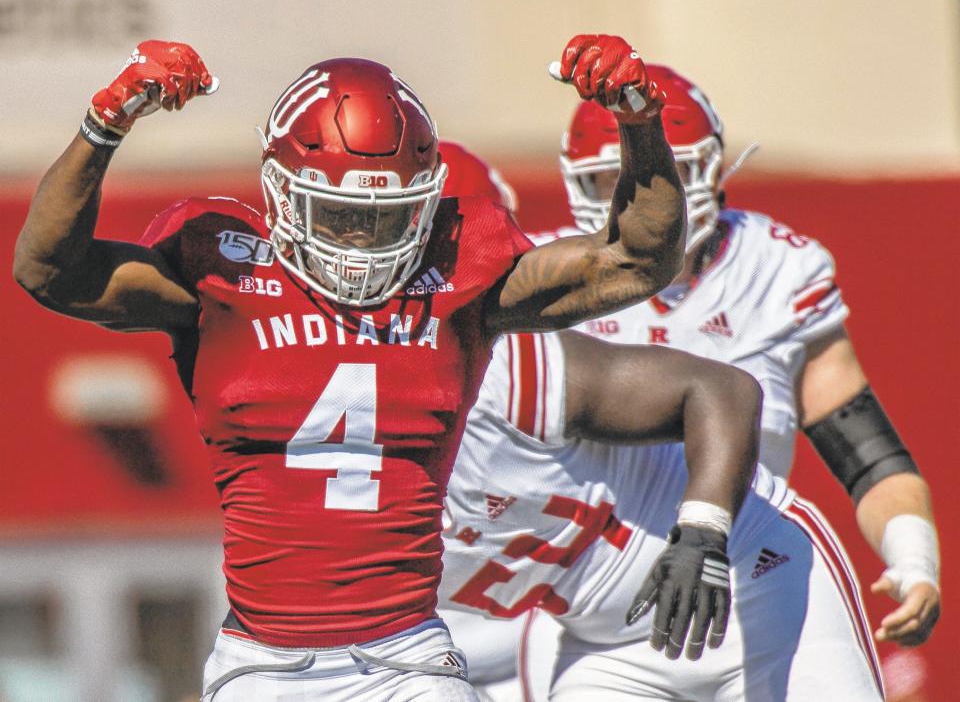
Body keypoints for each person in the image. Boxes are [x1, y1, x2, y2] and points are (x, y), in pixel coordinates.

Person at [11, 36, 686, 701]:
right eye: (338, 216)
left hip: (406, 660)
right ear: (280, 192)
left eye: (385, 219)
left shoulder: (457, 276)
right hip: (260, 663)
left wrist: (638, 120)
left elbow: (635, 260)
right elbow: (46, 269)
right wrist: (103, 126)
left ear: (425, 202)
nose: (360, 241)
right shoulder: (223, 275)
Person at [553, 63, 940, 654]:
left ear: (711, 167)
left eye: (671, 172)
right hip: (595, 604)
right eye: (613, 181)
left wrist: (914, 561)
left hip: (750, 580)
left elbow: (870, 457)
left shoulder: (774, 270)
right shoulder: (546, 279)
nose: (645, 198)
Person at [439, 327, 885, 700]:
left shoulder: (493, 375)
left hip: (748, 573)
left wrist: (702, 534)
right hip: (605, 652)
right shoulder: (368, 532)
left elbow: (719, 388)